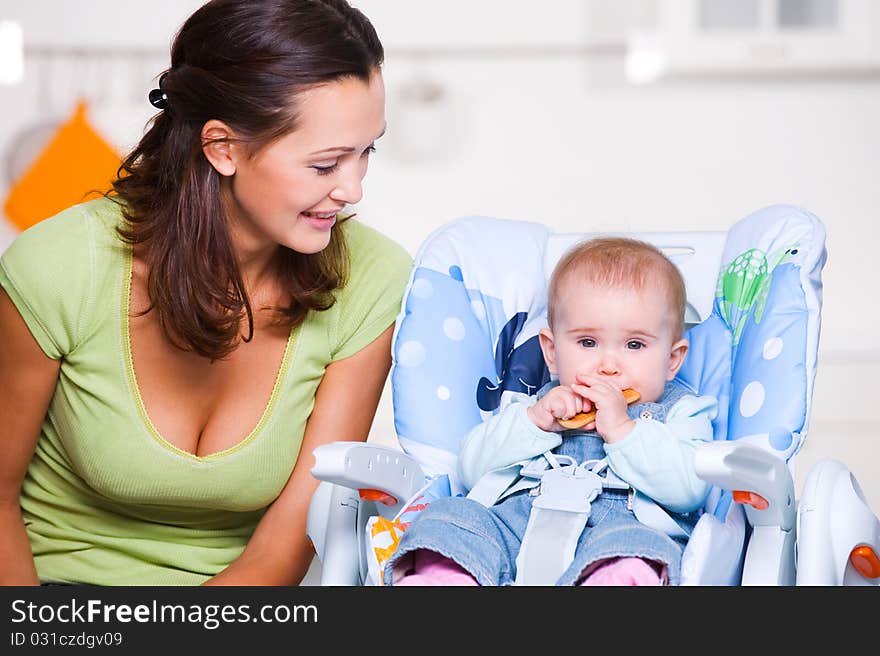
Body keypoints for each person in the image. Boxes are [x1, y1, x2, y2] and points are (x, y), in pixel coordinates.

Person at [0, 0, 412, 586]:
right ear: (222, 148)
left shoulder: (372, 279)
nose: (353, 188)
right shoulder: (59, 266)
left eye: (366, 152)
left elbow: (285, 545)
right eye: (326, 165)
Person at [384, 237, 718, 586]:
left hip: (620, 531)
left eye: (634, 345)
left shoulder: (683, 412)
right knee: (450, 517)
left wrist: (622, 429)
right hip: (514, 528)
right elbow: (471, 469)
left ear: (672, 360)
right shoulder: (534, 405)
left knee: (642, 549)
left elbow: (688, 488)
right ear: (552, 352)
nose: (608, 365)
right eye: (587, 342)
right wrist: (537, 423)